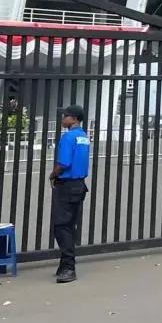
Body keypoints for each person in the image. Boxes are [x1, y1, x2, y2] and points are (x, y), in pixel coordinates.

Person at [50, 105, 91, 284]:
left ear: (73, 118)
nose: (63, 118)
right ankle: (64, 264)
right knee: (69, 224)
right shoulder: (83, 136)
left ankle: (68, 267)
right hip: (79, 184)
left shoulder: (68, 137)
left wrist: (53, 174)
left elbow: (64, 163)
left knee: (61, 226)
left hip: (67, 184)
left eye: (65, 116)